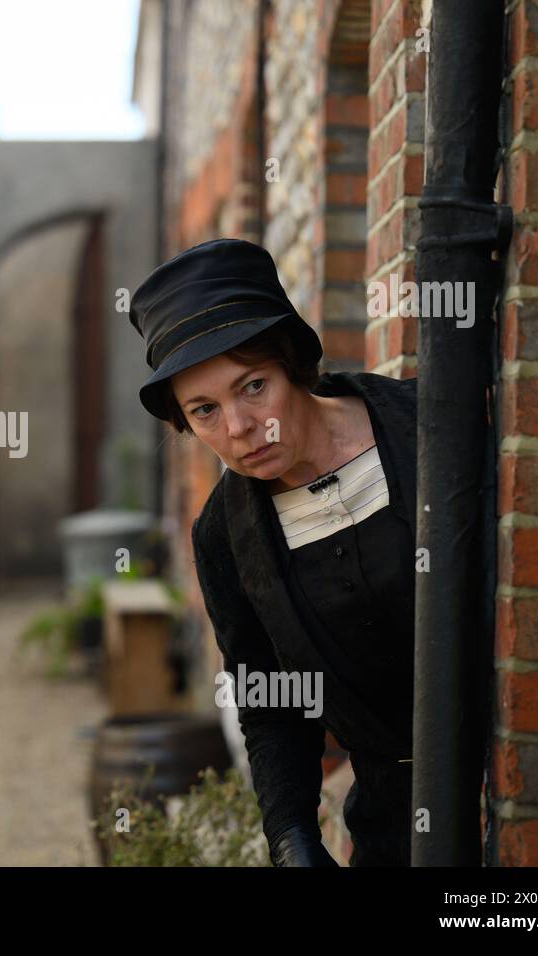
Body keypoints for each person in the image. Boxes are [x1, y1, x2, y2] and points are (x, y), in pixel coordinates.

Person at [129, 238, 417, 867]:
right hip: (396, 828)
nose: (238, 428)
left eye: (252, 386)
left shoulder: (423, 431)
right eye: (204, 410)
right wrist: (292, 838)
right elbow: (274, 699)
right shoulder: (226, 538)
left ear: (291, 366)